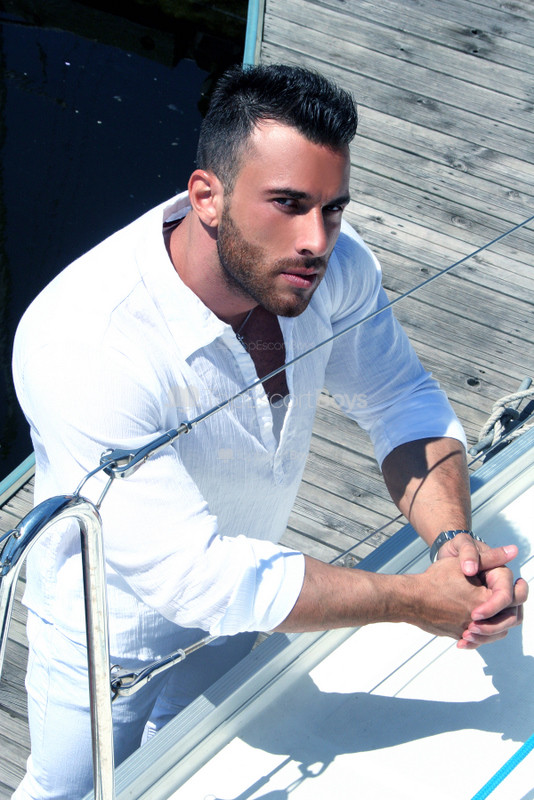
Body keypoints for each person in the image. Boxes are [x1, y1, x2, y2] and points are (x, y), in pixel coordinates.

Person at [12, 64, 527, 799]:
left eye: (333, 208)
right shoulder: (85, 341)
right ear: (207, 196)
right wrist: (412, 600)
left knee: (195, 776)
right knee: (67, 789)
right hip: (107, 638)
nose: (317, 240)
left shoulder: (329, 268)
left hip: (248, 603)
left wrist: (453, 543)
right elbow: (195, 577)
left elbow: (399, 397)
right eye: (288, 204)